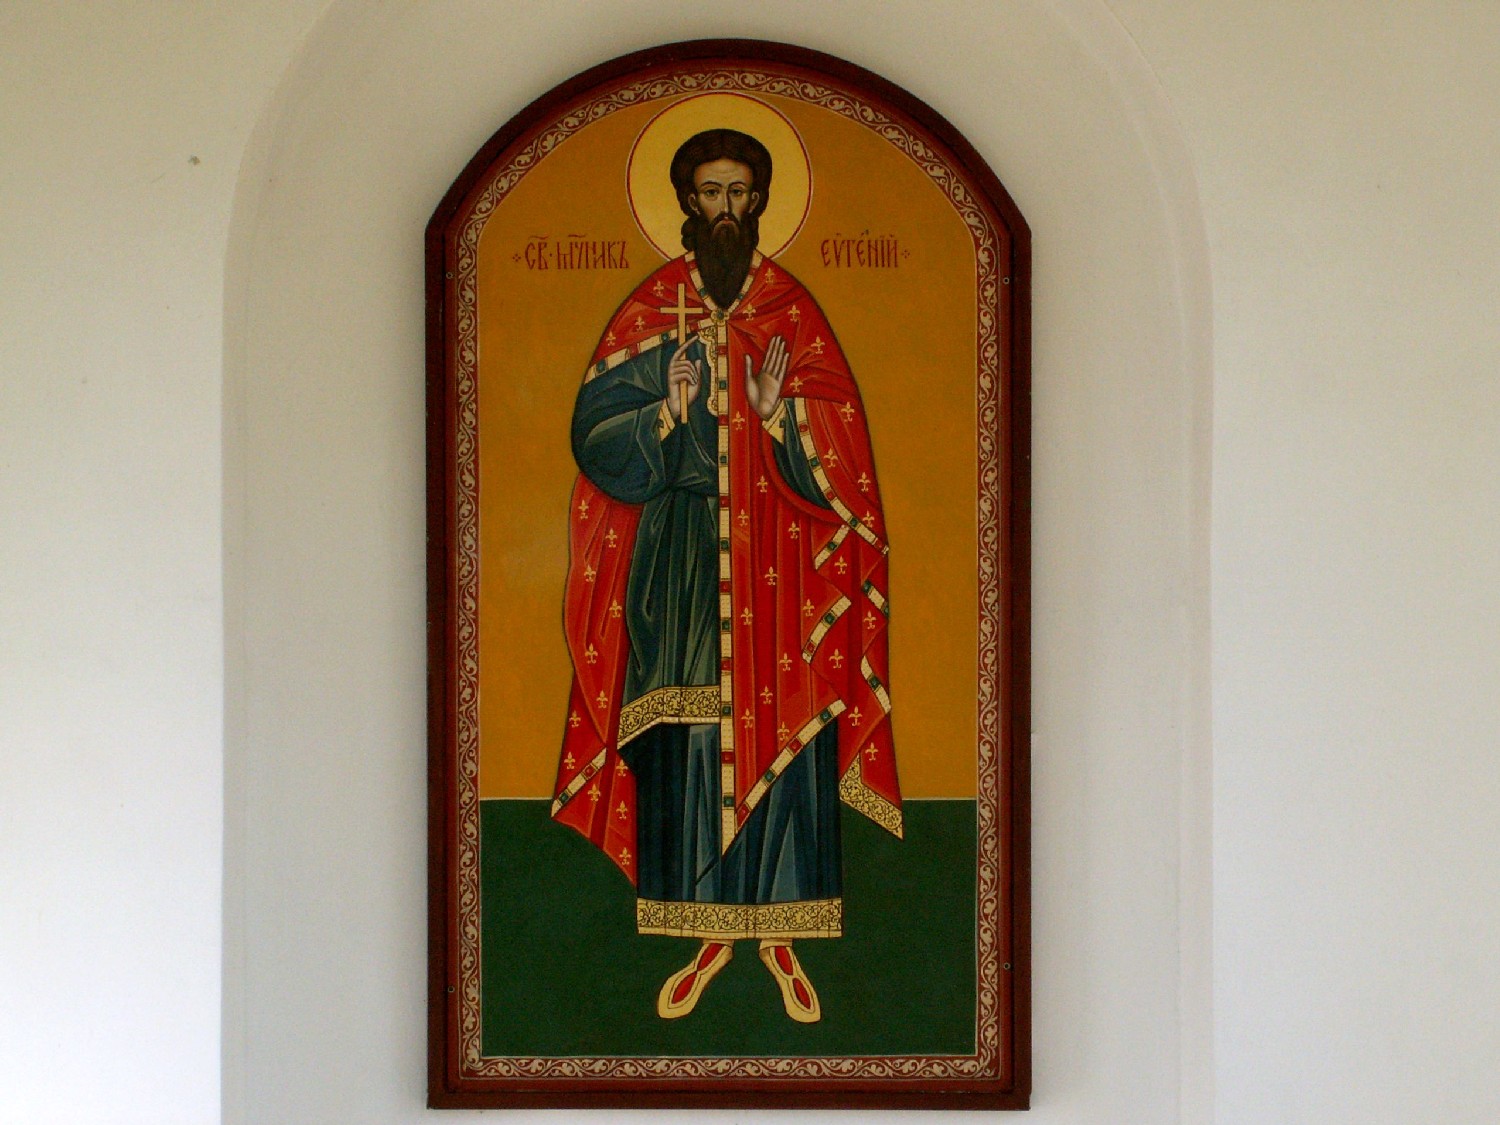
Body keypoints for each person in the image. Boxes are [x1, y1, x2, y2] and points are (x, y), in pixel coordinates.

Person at [551, 128, 901, 1023]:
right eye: (710, 192)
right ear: (686, 201)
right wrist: (665, 415)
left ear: (760, 202)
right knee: (689, 735)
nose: (725, 210)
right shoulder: (649, 313)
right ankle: (704, 937)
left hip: (780, 558)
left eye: (739, 193)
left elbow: (843, 452)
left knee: (787, 742)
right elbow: (594, 438)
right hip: (677, 561)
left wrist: (780, 420)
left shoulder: (791, 312)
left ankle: (783, 938)